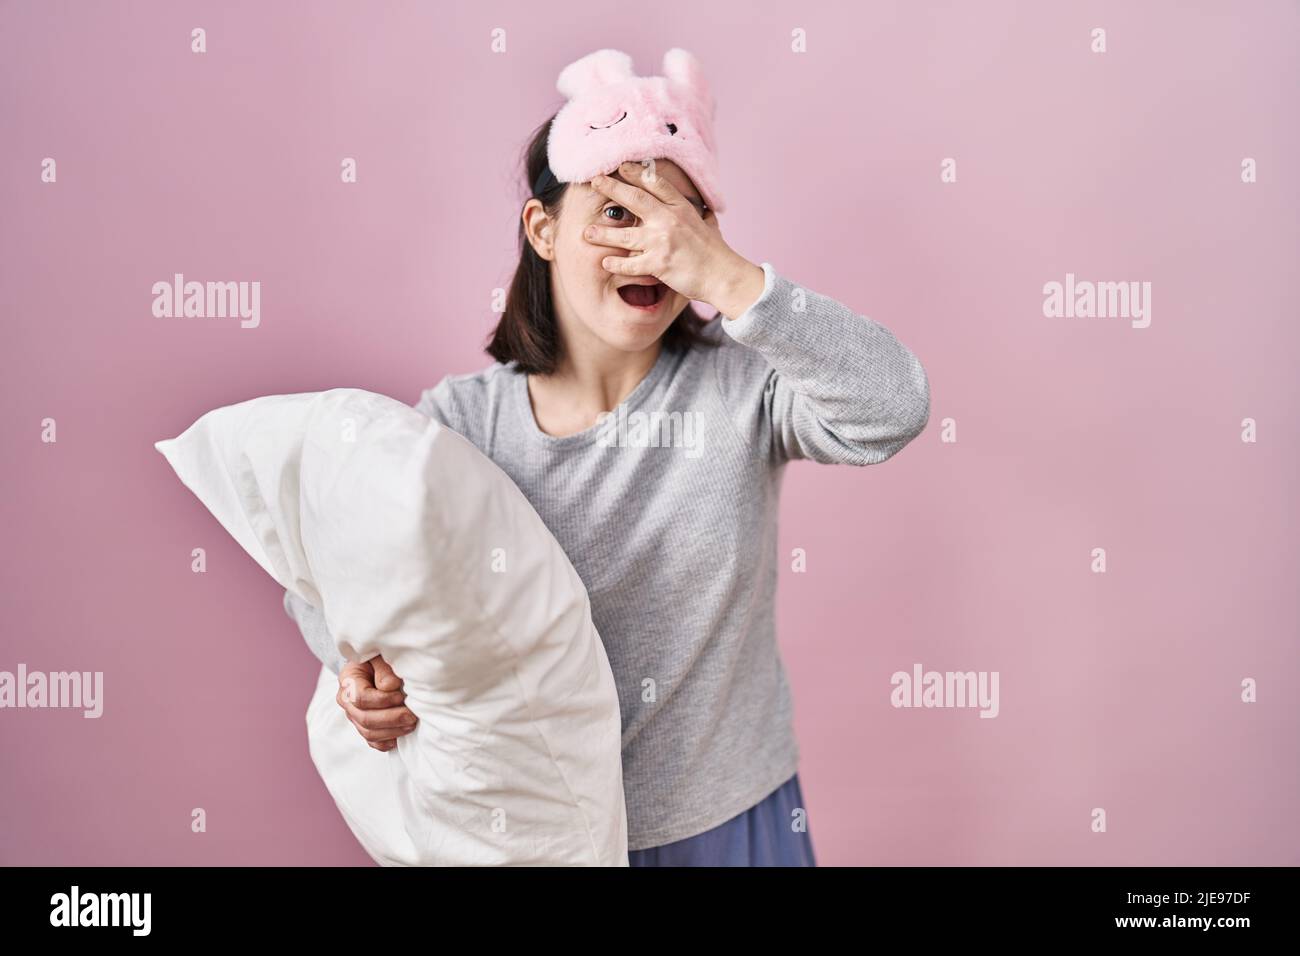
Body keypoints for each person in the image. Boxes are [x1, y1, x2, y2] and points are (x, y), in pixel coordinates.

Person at [285, 51, 930, 866]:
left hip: (729, 823)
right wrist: (361, 672)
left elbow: (893, 406)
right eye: (618, 213)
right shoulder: (459, 425)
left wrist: (727, 277)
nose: (650, 249)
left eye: (679, 218)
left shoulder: (743, 391)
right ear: (544, 231)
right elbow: (337, 582)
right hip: (539, 838)